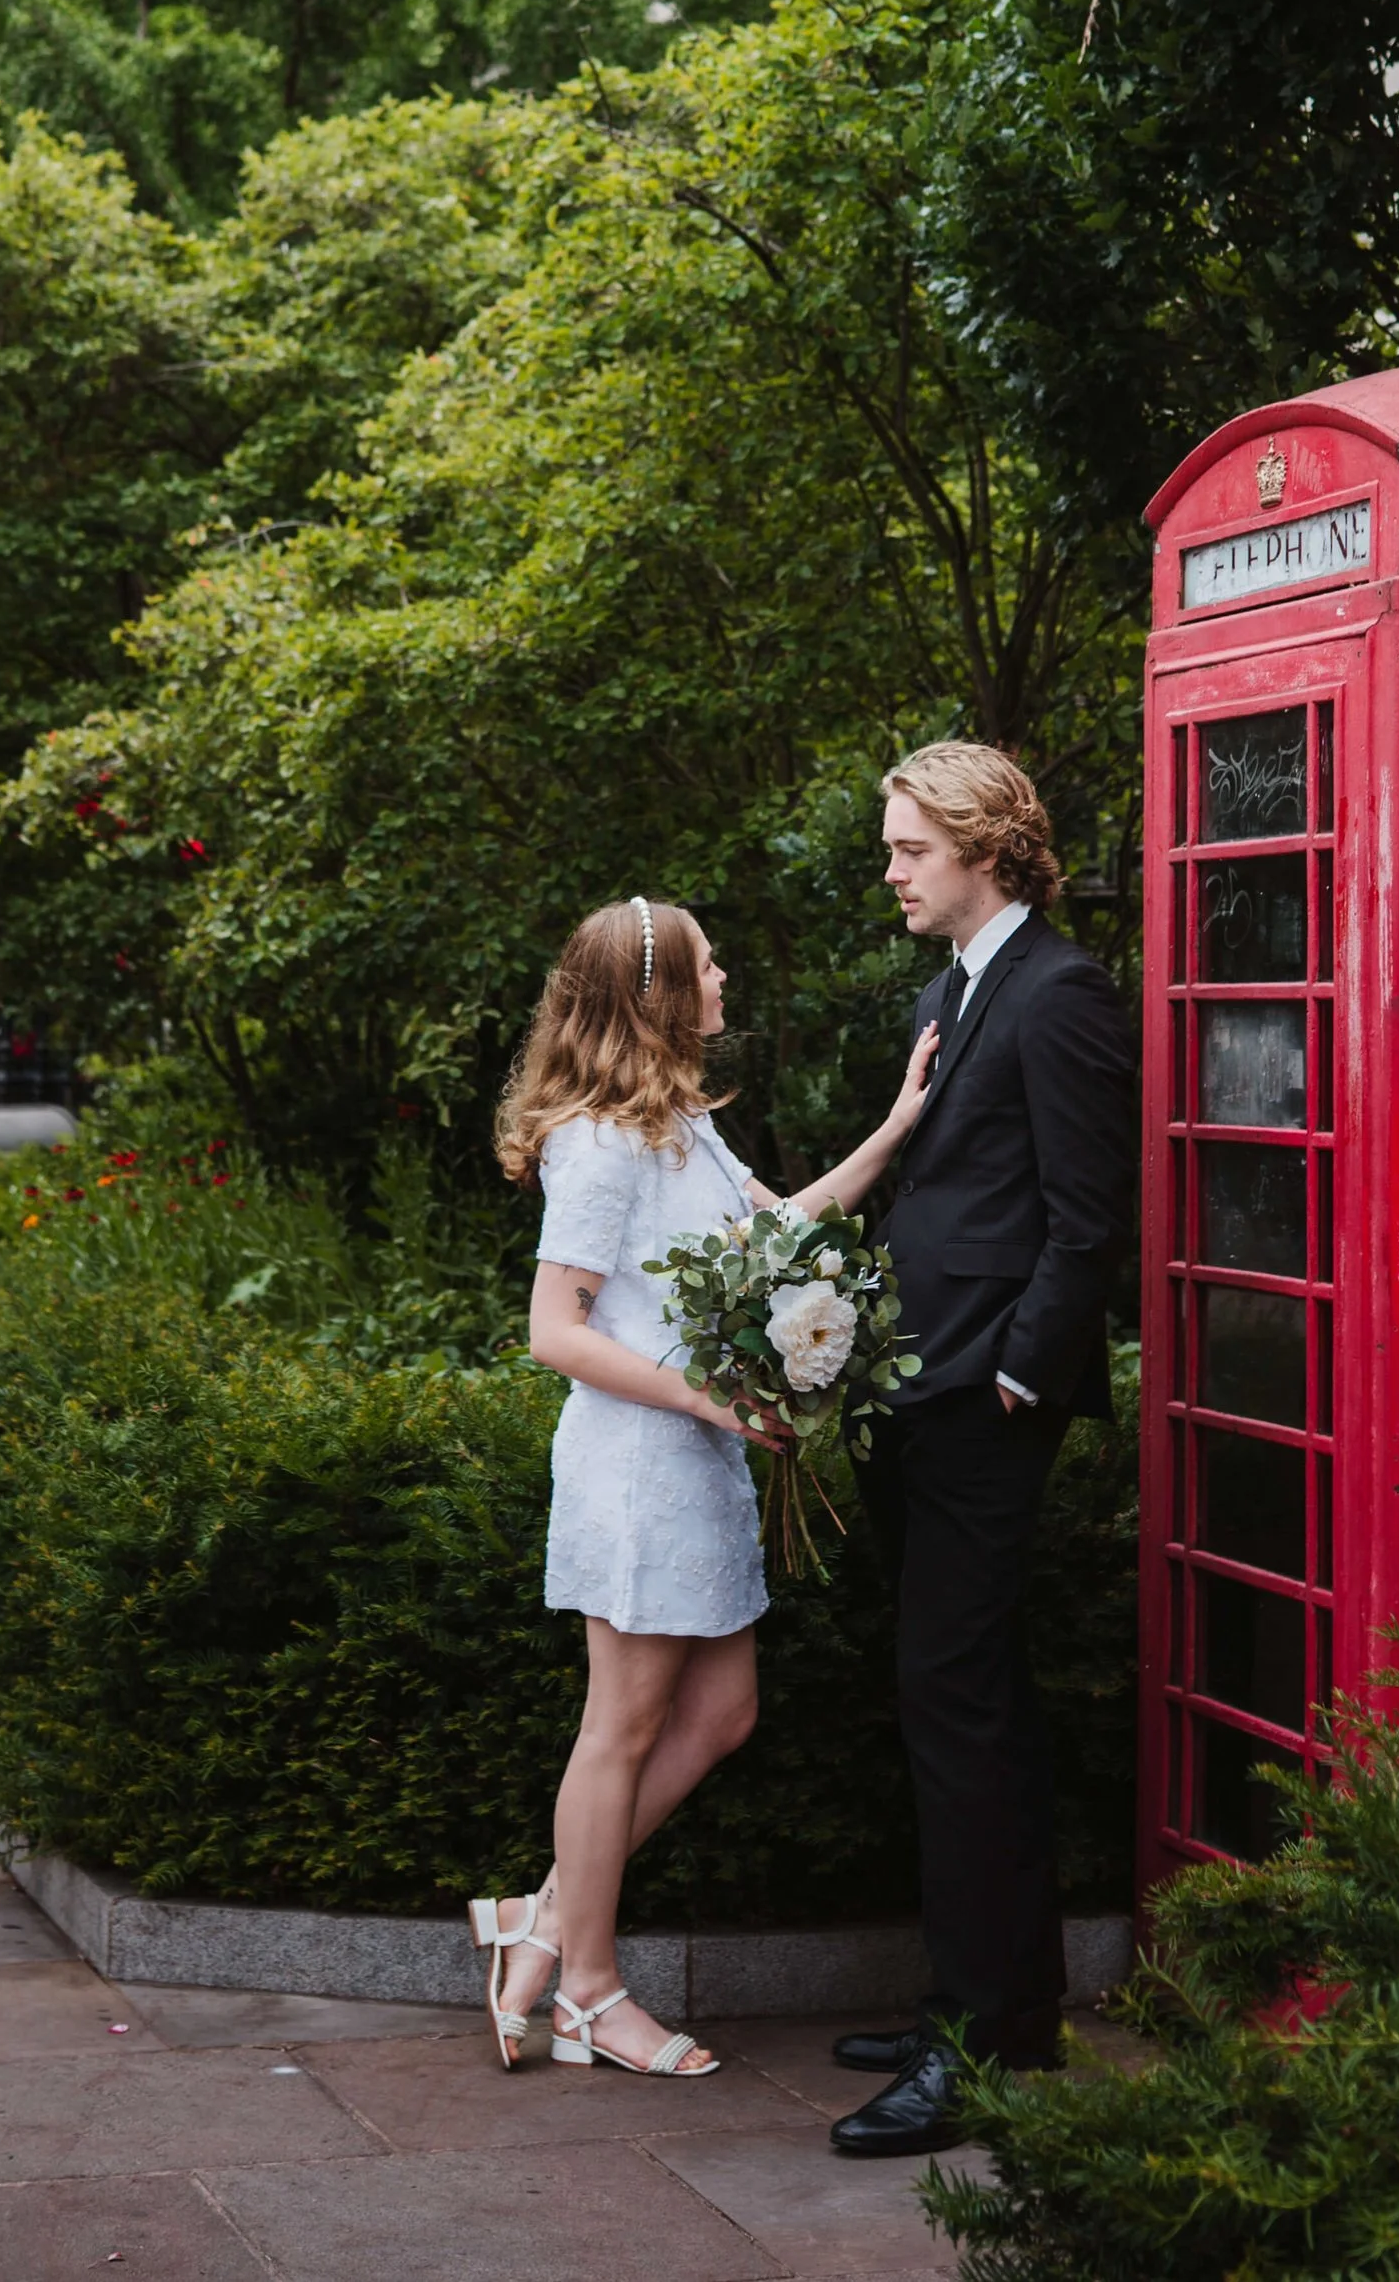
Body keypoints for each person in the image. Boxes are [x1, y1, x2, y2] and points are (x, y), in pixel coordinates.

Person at [474, 891, 939, 2080]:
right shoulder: (599, 1143)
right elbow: (551, 1332)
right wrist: (699, 1398)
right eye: (706, 964)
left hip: (699, 1463)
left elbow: (773, 1238)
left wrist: (894, 1132)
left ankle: (538, 1917)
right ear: (655, 995)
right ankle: (585, 1989)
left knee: (721, 1715)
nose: (725, 976)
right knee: (620, 1728)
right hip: (638, 1465)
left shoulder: (681, 1123)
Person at [827, 742, 1138, 2161]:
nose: (890, 868)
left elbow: (1090, 1211)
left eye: (908, 847)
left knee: (961, 1708)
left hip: (982, 1406)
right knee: (952, 1701)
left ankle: (985, 2039)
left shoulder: (1061, 992)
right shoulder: (949, 988)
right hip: (916, 1393)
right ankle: (986, 2002)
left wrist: (1023, 1371)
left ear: (986, 849)